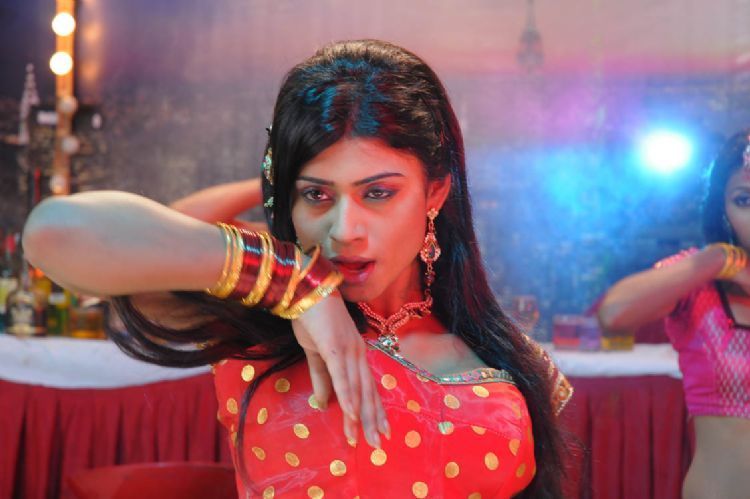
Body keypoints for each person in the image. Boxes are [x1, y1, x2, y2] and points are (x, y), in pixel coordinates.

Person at [23, 39, 571, 498]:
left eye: (378, 193)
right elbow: (55, 234)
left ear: (435, 193)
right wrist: (295, 282)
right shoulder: (258, 324)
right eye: (317, 195)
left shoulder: (506, 358)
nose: (344, 230)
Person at [598, 130, 750, 499]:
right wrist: (717, 259)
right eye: (745, 200)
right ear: (722, 210)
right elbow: (614, 313)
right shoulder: (701, 284)